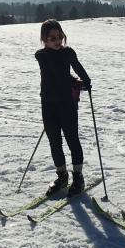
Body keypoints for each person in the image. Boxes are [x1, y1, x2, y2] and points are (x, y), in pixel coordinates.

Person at [35, 19, 91, 197]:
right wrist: (76, 82)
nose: (57, 40)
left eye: (59, 36)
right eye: (52, 38)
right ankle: (62, 176)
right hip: (49, 105)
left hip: (67, 104)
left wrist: (86, 81)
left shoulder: (68, 53)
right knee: (54, 142)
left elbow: (77, 67)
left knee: (72, 139)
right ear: (44, 39)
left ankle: (78, 177)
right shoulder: (41, 56)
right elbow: (58, 74)